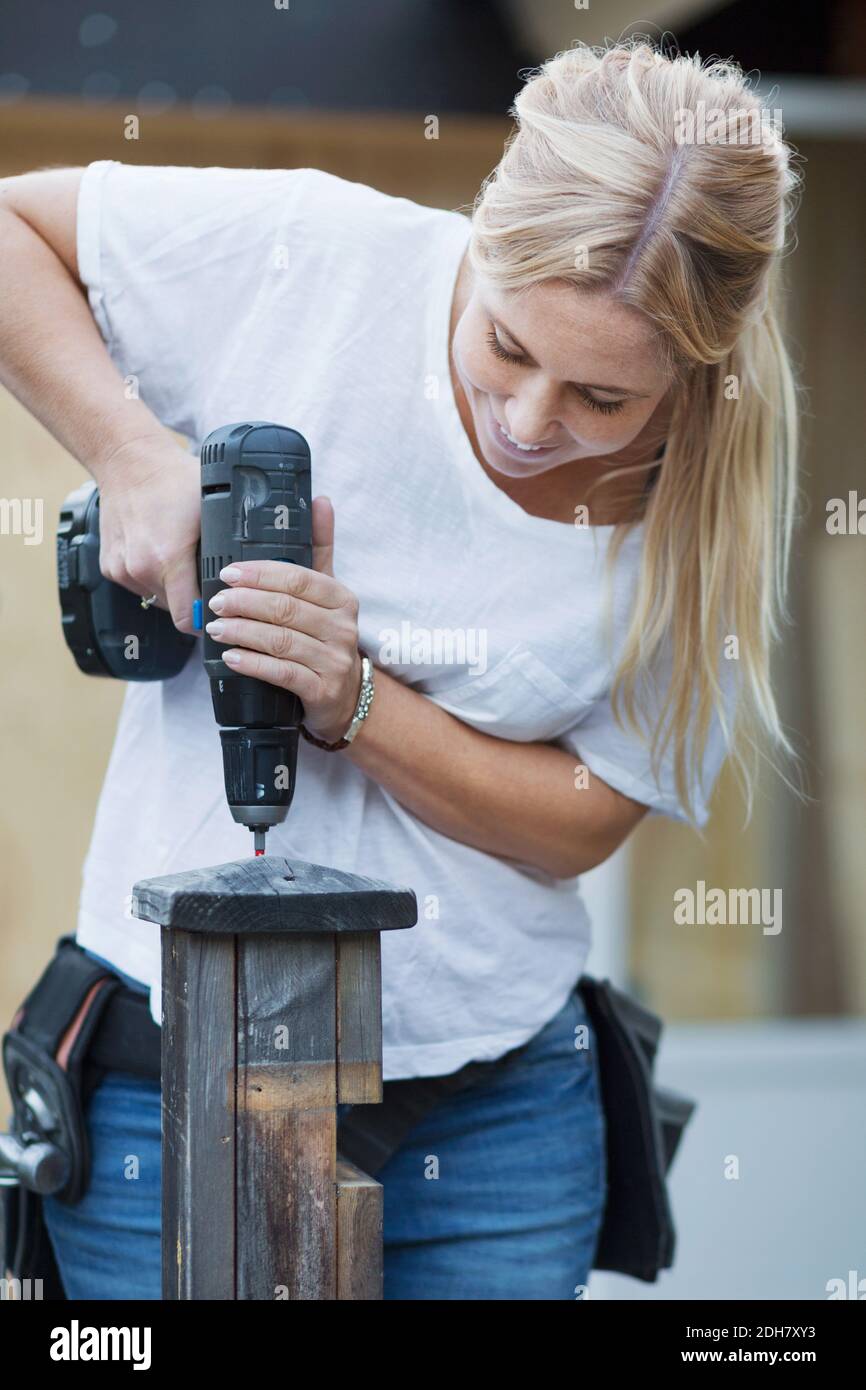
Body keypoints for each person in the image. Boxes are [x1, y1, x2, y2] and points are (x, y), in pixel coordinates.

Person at [0, 40, 800, 1300]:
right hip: (179, 1077)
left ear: (692, 376)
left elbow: (583, 819)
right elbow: (11, 230)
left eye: (603, 397)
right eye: (505, 344)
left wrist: (352, 699)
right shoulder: (310, 256)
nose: (533, 421)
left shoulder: (708, 489)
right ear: (480, 234)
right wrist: (132, 452)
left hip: (500, 1112)